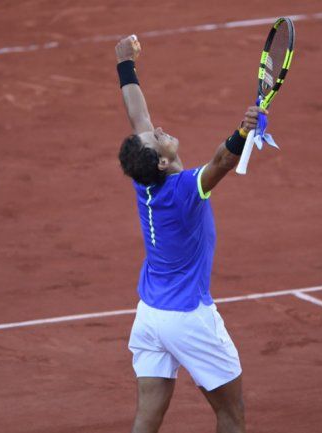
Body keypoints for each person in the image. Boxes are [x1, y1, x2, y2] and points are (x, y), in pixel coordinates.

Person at [115, 35, 262, 433]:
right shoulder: (183, 192)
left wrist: (125, 63)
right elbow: (222, 161)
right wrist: (243, 129)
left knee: (148, 416)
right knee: (231, 413)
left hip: (149, 316)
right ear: (163, 161)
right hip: (188, 318)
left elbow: (137, 116)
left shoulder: (145, 182)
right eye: (158, 137)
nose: (158, 128)